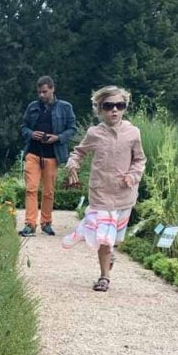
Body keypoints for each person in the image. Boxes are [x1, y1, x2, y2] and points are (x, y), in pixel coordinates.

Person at [62, 85, 146, 292]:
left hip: (124, 195)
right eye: (108, 106)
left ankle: (96, 239)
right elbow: (79, 152)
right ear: (100, 109)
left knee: (114, 238)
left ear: (125, 107)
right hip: (101, 194)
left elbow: (140, 159)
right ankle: (104, 277)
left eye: (119, 105)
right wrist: (73, 164)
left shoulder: (133, 133)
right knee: (104, 239)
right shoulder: (94, 133)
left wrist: (133, 176)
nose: (114, 110)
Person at [19, 76, 78, 237]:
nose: (41, 95)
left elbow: (73, 129)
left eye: (44, 92)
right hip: (33, 153)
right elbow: (23, 127)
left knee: (48, 191)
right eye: (39, 92)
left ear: (53, 89)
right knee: (31, 189)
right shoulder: (32, 107)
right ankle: (30, 224)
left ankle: (46, 223)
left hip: (52, 155)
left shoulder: (65, 107)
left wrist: (57, 137)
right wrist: (32, 134)